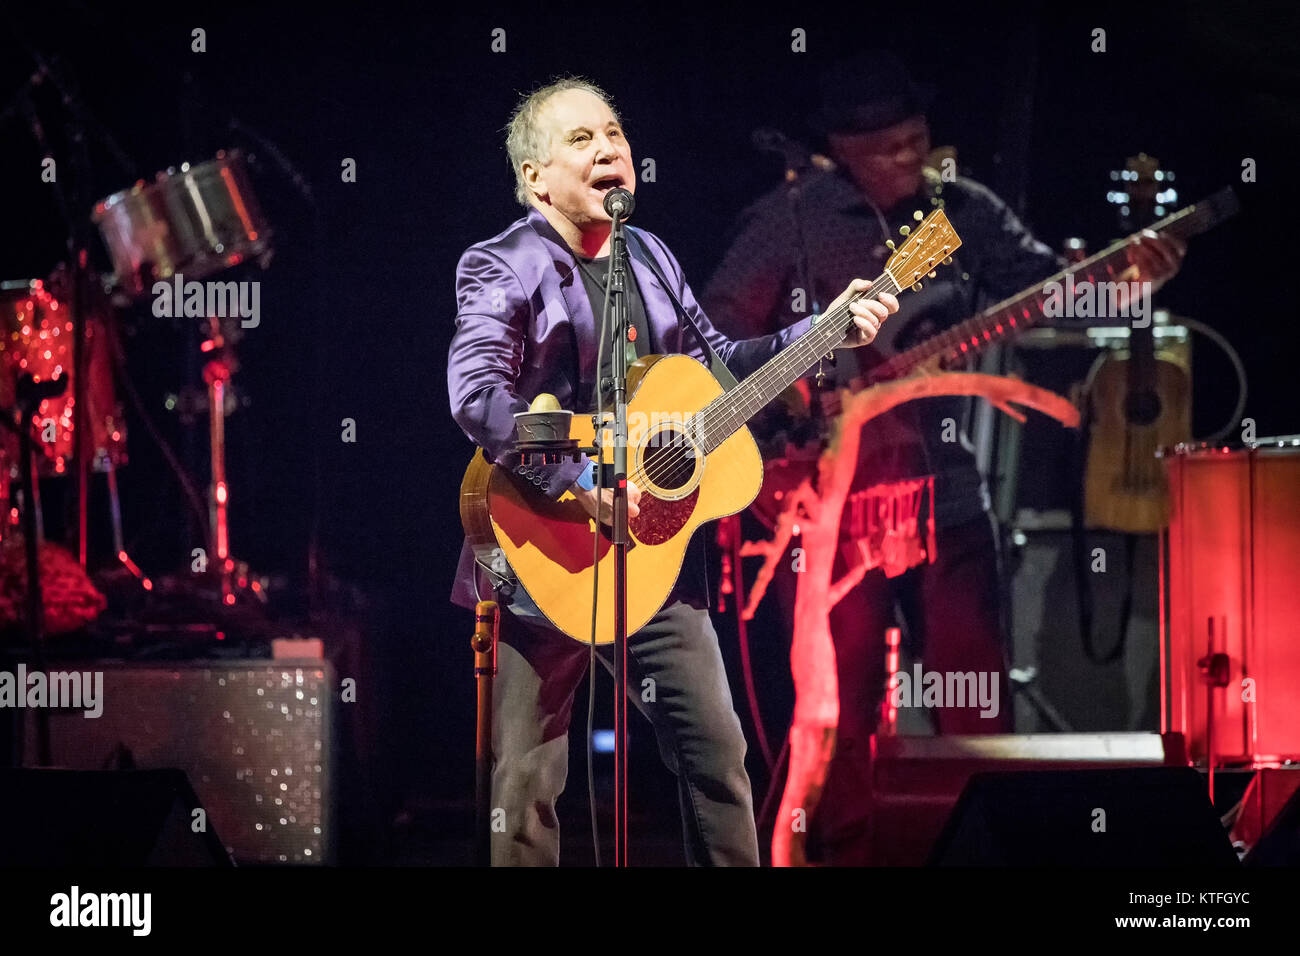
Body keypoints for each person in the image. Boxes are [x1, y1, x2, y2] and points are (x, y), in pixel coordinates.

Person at [701, 52, 1184, 864]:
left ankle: (983, 852)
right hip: (831, 500)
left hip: (949, 495)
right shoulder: (791, 221)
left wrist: (1124, 284)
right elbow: (718, 340)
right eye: (888, 148)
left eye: (918, 140)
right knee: (842, 709)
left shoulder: (962, 211)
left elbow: (1049, 295)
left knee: (974, 692)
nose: (910, 160)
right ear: (843, 152)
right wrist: (782, 421)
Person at [446, 76, 898, 866]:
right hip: (539, 549)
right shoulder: (502, 264)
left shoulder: (649, 255)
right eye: (581, 139)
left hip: (648, 560)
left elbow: (716, 371)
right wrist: (580, 485)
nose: (608, 149)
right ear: (534, 178)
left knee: (718, 759)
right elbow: (477, 397)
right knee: (524, 787)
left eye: (615, 134)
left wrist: (821, 332)